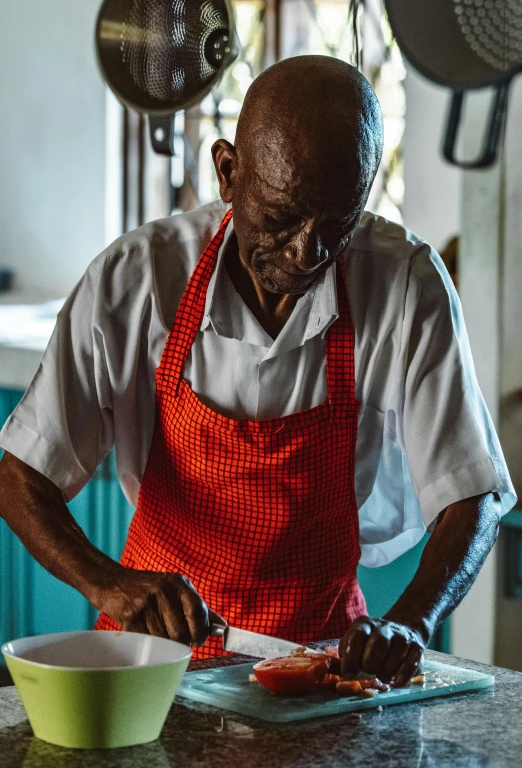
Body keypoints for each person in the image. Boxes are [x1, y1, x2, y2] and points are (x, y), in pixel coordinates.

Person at [0, 56, 515, 686]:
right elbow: (21, 475)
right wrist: (108, 583)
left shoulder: (404, 284)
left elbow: (474, 494)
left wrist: (411, 621)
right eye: (279, 219)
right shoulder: (139, 278)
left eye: (336, 224)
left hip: (323, 669)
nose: (306, 254)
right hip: (153, 663)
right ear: (227, 171)